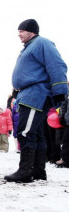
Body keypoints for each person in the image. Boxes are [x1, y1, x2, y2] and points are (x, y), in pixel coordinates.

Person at [4, 19, 67, 183]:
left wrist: (60, 90)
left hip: (36, 94)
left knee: (25, 132)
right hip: (28, 94)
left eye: (21, 31)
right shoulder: (29, 47)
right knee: (37, 133)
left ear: (31, 31)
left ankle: (25, 171)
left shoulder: (42, 43)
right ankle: (38, 172)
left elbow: (57, 65)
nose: (19, 34)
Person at [58, 83, 69, 168]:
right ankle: (65, 160)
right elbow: (63, 105)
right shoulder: (67, 93)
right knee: (65, 141)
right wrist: (61, 116)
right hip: (68, 121)